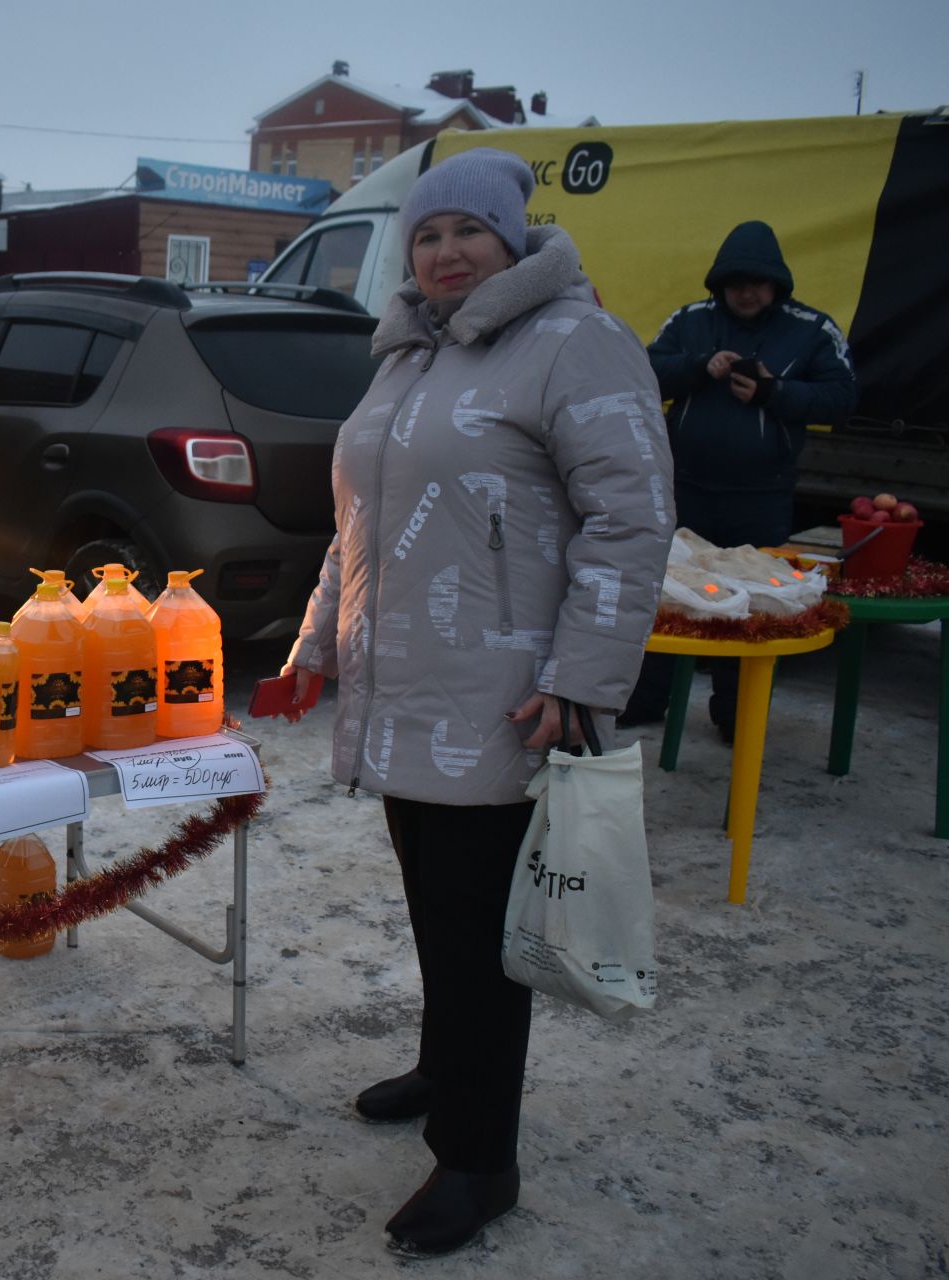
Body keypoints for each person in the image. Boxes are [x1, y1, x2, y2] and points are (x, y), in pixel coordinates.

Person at [280, 148, 673, 1256]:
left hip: (503, 694)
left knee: (483, 931)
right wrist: (319, 643)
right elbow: (355, 523)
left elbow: (631, 517)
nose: (446, 254)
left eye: (468, 233)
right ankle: (446, 1068)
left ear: (511, 239)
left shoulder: (575, 341)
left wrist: (581, 677)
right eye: (427, 237)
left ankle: (479, 1156)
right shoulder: (407, 355)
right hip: (402, 685)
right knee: (438, 908)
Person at [621, 220, 857, 738]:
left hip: (760, 494)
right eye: (735, 282)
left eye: (756, 282)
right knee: (663, 594)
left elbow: (843, 398)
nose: (745, 292)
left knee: (752, 605)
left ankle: (734, 712)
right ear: (719, 284)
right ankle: (644, 697)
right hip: (685, 486)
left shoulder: (811, 329)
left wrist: (776, 393)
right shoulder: (690, 320)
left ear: (776, 284)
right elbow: (643, 370)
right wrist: (699, 365)